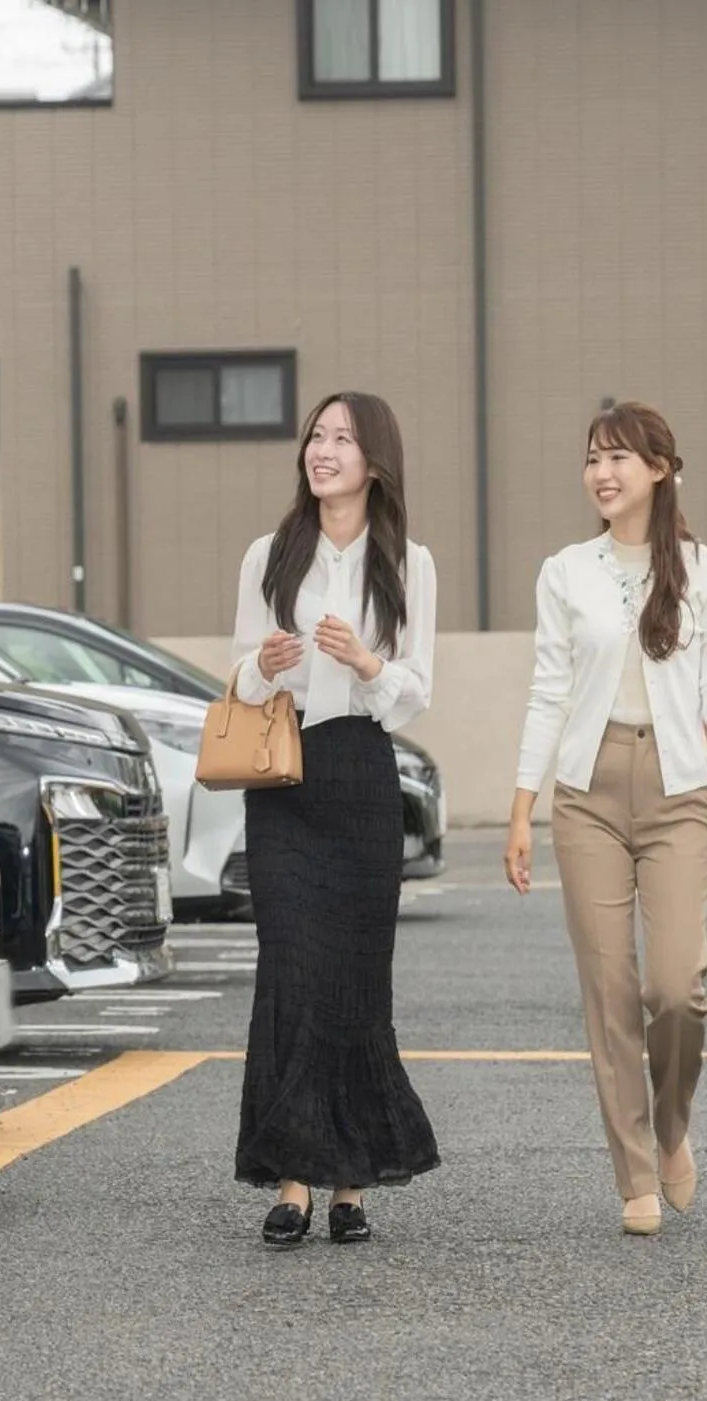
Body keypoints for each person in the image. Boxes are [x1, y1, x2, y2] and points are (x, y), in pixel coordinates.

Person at [504, 401, 707, 1237]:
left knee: (676, 987)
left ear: (659, 469)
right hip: (585, 793)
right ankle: (636, 1173)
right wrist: (520, 809)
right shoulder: (564, 572)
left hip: (679, 790)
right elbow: (548, 690)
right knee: (609, 989)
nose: (601, 473)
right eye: (591, 458)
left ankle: (673, 1126)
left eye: (618, 458)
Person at [229, 391, 440, 1247]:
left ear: (373, 461)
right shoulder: (269, 554)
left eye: (342, 439)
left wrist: (366, 661)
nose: (323, 450)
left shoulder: (409, 562)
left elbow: (416, 692)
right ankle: (291, 1182)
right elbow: (240, 674)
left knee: (354, 977)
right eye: (316, 436)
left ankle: (350, 1182)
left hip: (359, 773)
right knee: (289, 968)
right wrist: (262, 662)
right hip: (283, 780)